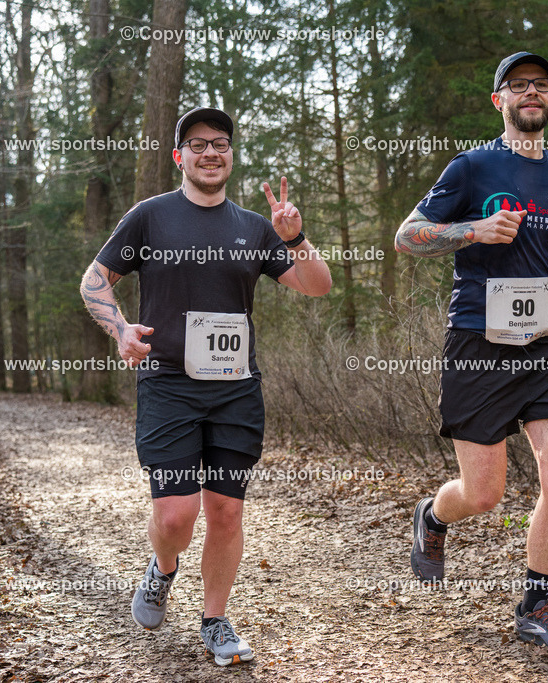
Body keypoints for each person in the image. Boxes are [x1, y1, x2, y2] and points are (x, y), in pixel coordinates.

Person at [80, 107, 331, 665]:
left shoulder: (255, 227)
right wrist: (120, 329)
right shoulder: (150, 217)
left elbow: (317, 286)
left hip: (235, 390)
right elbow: (94, 280)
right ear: (179, 157)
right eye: (197, 144)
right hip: (168, 385)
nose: (210, 152)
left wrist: (296, 238)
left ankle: (215, 621)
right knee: (175, 517)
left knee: (225, 511)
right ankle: (162, 566)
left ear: (231, 155)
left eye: (219, 143)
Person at [395, 52, 548, 652]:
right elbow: (407, 236)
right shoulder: (472, 167)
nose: (530, 92)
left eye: (540, 85)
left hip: (545, 344)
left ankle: (536, 607)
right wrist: (472, 230)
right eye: (517, 86)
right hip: (478, 343)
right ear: (500, 101)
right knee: (484, 493)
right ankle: (433, 517)